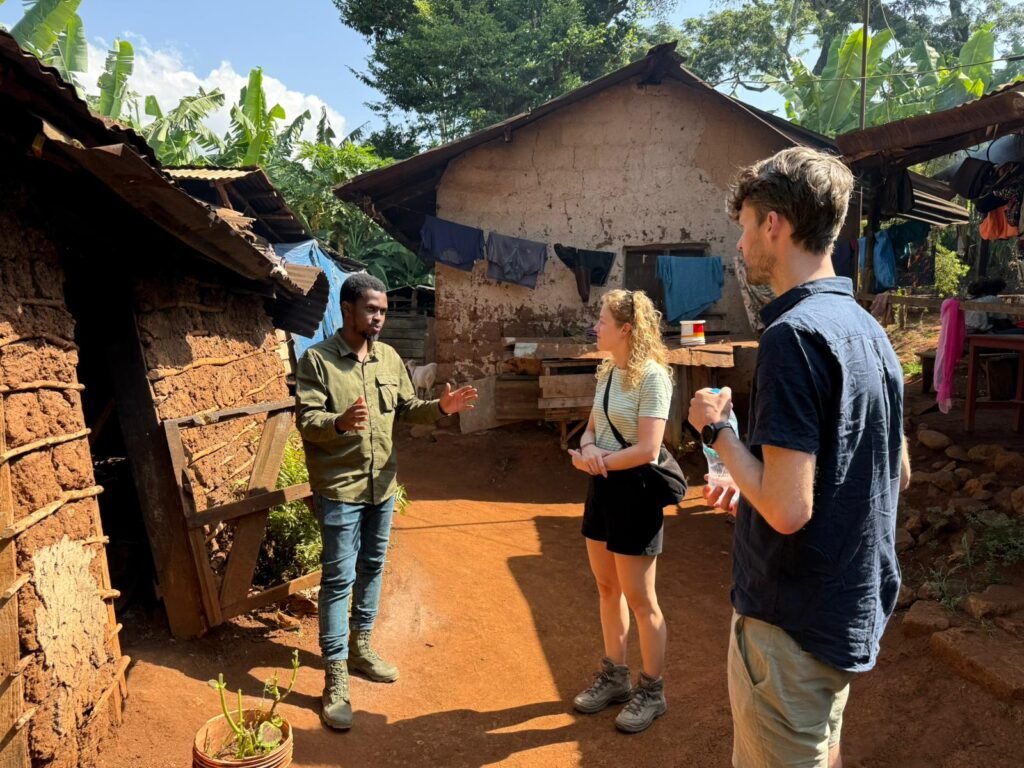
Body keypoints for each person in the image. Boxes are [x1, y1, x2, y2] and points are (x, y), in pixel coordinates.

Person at [687, 147, 911, 768]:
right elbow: (891, 469)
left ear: (775, 226)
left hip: (789, 622)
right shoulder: (868, 332)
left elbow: (788, 509)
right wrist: (752, 485)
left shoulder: (792, 336)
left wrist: (718, 433)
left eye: (745, 225)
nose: (739, 244)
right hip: (846, 610)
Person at [295, 272, 479, 731]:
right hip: (339, 487)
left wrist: (440, 409)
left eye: (383, 310)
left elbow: (406, 408)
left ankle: (361, 648)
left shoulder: (390, 358)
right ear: (349, 310)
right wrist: (338, 423)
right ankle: (335, 676)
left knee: (373, 566)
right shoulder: (317, 361)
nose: (379, 317)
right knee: (339, 578)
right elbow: (307, 421)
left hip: (382, 485)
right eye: (372, 309)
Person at [567, 288, 676, 734]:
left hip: (635, 493)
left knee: (641, 598)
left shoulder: (654, 378)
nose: (597, 325)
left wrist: (596, 461)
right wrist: (587, 452)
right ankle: (615, 675)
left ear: (626, 328)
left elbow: (649, 449)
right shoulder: (607, 372)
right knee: (606, 587)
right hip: (603, 488)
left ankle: (652, 690)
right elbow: (591, 429)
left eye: (603, 320)